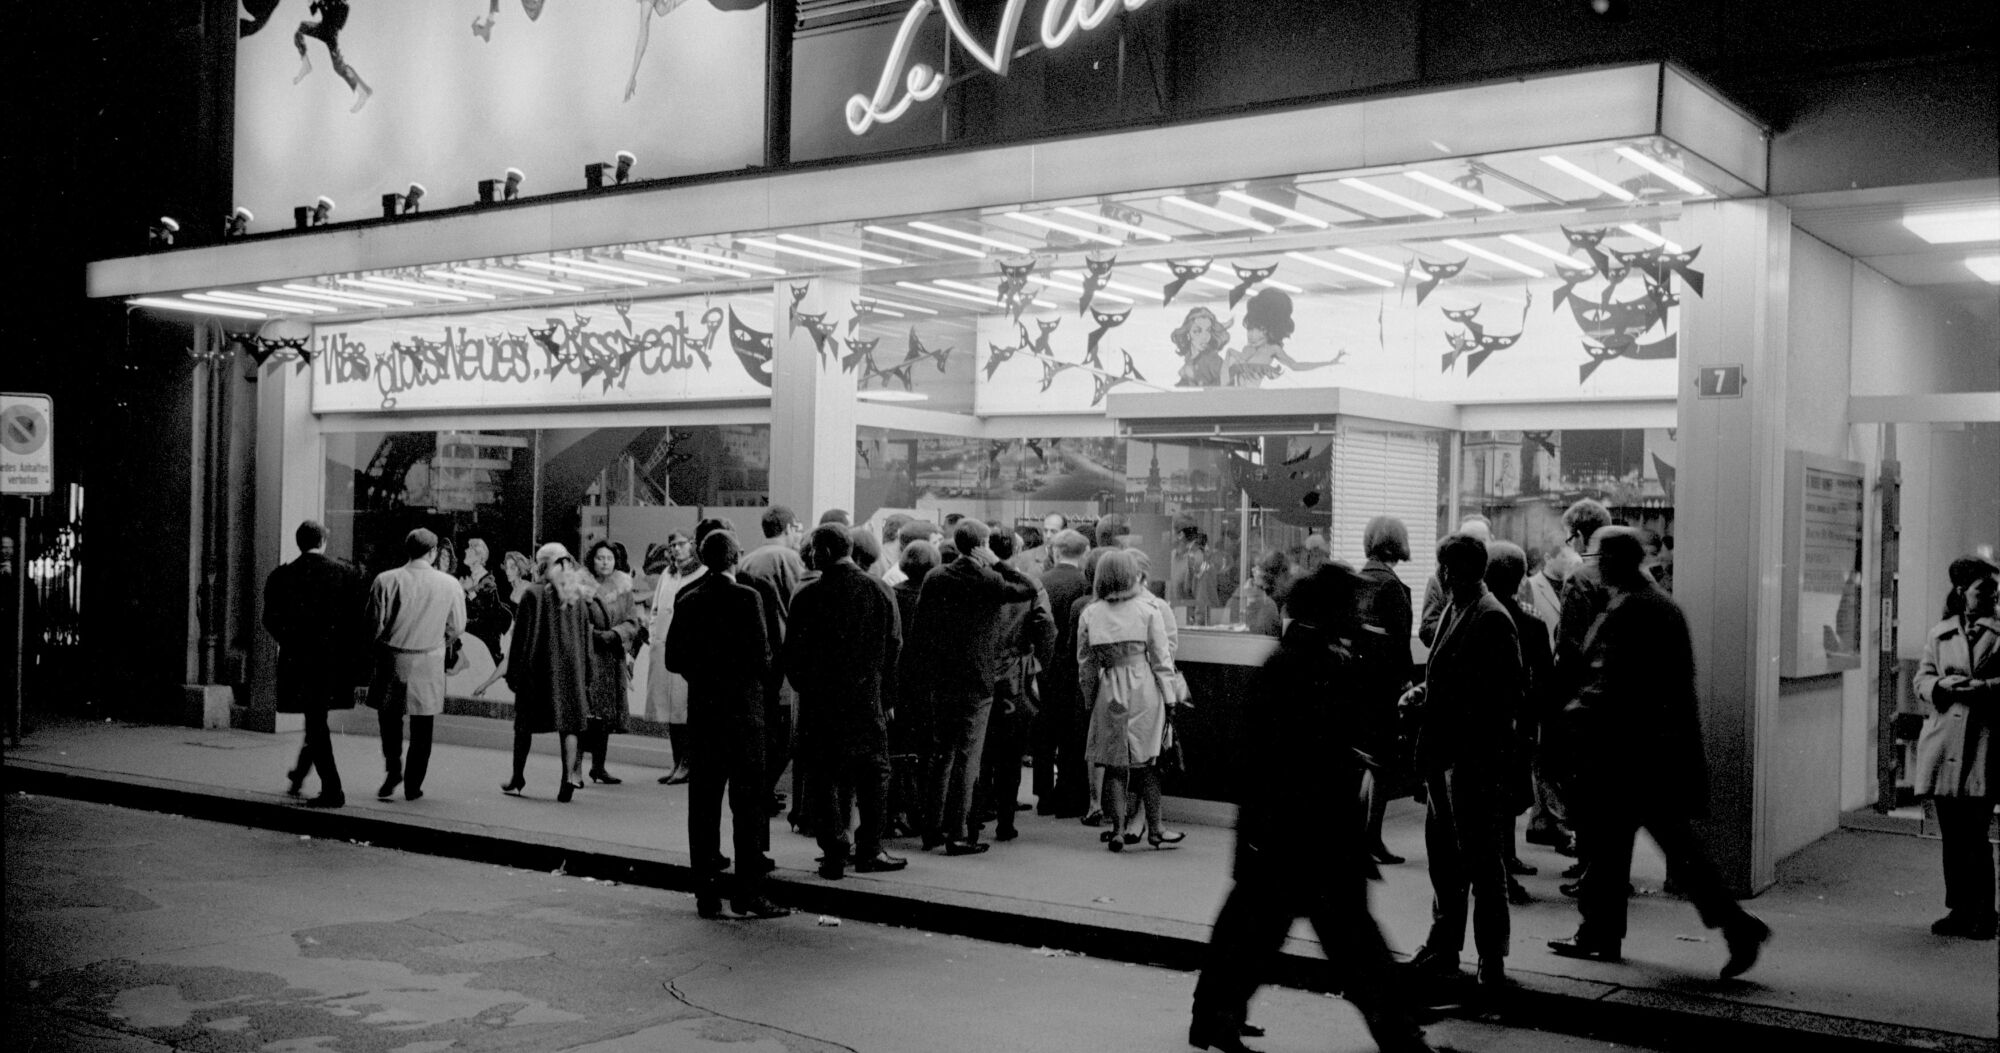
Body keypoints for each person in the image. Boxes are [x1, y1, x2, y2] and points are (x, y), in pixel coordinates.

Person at [1189, 562, 1437, 1053]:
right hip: (1308, 830)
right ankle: (1400, 1039)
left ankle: (1213, 1017)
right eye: (1354, 605)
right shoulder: (1311, 663)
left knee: (1254, 935)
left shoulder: (1297, 658)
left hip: (1284, 831)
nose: (1361, 613)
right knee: (1350, 943)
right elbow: (1303, 748)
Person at [1547, 528, 1772, 977]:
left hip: (1624, 755)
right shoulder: (1656, 604)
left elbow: (1608, 684)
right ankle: (1609, 933)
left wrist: (1565, 722)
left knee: (1614, 848)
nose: (1597, 566)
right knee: (1665, 850)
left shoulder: (1632, 608)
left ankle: (1606, 932)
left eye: (1602, 558)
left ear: (1616, 561)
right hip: (1652, 754)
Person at [1407, 532, 1521, 990]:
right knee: (1445, 860)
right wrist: (1422, 694)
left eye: (1442, 568)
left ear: (1453, 571)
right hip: (1447, 759)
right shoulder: (1461, 608)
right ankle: (1445, 945)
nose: (1440, 576)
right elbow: (1450, 677)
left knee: (1480, 863)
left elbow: (1501, 698)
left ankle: (1490, 959)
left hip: (1471, 762)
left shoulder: (1492, 618)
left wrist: (1439, 707)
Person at [664, 530, 790, 920]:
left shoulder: (688, 598)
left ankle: (706, 894)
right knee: (747, 805)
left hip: (704, 714)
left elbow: (673, 659)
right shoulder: (746, 597)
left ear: (703, 558)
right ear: (736, 557)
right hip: (743, 713)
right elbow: (762, 657)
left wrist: (703, 676)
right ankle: (748, 893)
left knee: (703, 805)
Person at [783, 525, 908, 880]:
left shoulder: (807, 596)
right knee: (874, 774)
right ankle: (870, 848)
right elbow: (893, 648)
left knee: (825, 777)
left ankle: (834, 850)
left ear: (821, 553)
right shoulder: (879, 589)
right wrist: (886, 697)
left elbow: (793, 657)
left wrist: (808, 687)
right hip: (866, 700)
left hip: (820, 704)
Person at [908, 518, 1039, 855]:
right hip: (977, 678)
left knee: (941, 755)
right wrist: (999, 564)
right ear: (982, 545)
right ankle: (959, 832)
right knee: (968, 757)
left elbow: (920, 629)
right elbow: (1028, 588)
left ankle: (932, 829)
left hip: (941, 677)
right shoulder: (990, 578)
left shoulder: (936, 577)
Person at [1912, 555, 1999, 939]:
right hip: (1945, 740)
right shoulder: (1939, 633)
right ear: (1963, 592)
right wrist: (1939, 687)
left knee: (1977, 833)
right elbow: (1922, 679)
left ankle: (1985, 912)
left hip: (1983, 742)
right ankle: (1960, 910)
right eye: (1985, 589)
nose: (1993, 595)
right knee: (1953, 834)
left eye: (1995, 589)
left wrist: (1984, 688)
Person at [1079, 550, 1185, 852]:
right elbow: (1162, 659)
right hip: (1144, 687)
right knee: (1149, 762)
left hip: (1110, 685)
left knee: (1115, 763)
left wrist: (1090, 699)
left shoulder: (1091, 613)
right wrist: (1170, 698)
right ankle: (1156, 828)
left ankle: (1117, 829)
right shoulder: (1148, 609)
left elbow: (1085, 665)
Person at [264, 520, 362, 808]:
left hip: (298, 659)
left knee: (314, 718)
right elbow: (354, 623)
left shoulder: (282, 576)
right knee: (316, 719)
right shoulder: (343, 574)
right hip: (332, 661)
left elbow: (270, 620)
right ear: (323, 542)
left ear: (299, 543)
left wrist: (292, 640)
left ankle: (318, 782)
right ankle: (327, 786)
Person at [363, 528, 466, 803]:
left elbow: (373, 624)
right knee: (423, 724)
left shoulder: (386, 580)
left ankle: (393, 767)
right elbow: (458, 626)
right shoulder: (449, 584)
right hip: (429, 659)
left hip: (392, 658)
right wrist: (441, 639)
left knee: (389, 718)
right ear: (433, 552)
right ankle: (413, 783)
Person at [1485, 540, 1554, 904]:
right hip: (1521, 724)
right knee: (1510, 794)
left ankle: (1502, 862)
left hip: (1485, 723)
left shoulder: (1476, 616)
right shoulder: (1531, 623)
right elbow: (1544, 679)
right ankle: (1503, 867)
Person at [974, 528, 1054, 842]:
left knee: (978, 751)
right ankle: (1005, 820)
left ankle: (975, 814)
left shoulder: (976, 580)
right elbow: (1046, 625)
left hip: (980, 669)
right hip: (1014, 675)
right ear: (1016, 550)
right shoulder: (1027, 585)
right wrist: (1038, 662)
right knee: (1010, 752)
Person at [502, 543, 592, 801]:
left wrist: (514, 673)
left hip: (538, 669)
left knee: (523, 725)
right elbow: (586, 640)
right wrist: (587, 674)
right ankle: (567, 780)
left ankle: (517, 777)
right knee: (570, 725)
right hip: (571, 672)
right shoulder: (577, 596)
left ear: (540, 564)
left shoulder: (532, 593)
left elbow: (520, 639)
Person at [1355, 516, 1416, 865]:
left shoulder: (1359, 580)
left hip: (1357, 686)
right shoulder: (1391, 587)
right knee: (1381, 767)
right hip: (1383, 689)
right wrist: (1405, 682)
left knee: (1364, 763)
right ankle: (1371, 838)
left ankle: (1361, 838)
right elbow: (1396, 646)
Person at [1034, 528, 1093, 818]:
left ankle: (1043, 795)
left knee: (1044, 733)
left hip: (1043, 667)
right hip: (1072, 667)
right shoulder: (1084, 585)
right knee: (1071, 734)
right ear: (1084, 553)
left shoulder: (1040, 581)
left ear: (1055, 551)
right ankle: (1066, 791)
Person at [887, 539, 941, 837]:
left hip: (899, 684)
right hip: (928, 685)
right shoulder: (937, 598)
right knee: (927, 753)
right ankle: (924, 812)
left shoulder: (892, 595)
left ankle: (896, 812)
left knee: (896, 752)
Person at [646, 530, 707, 785]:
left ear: (692, 545)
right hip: (664, 648)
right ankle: (676, 761)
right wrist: (653, 635)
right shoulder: (668, 574)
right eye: (672, 545)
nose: (676, 550)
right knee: (670, 710)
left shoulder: (702, 573)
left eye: (681, 544)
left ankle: (687, 764)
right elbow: (656, 609)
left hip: (687, 651)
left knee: (685, 709)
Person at [581, 540, 644, 785]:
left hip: (612, 655)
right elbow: (574, 618)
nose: (605, 562)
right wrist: (593, 635)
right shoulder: (581, 586)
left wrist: (615, 634)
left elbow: (632, 621)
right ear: (591, 560)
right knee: (587, 711)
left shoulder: (623, 587)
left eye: (609, 558)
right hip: (590, 655)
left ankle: (599, 766)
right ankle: (575, 765)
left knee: (606, 713)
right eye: (600, 558)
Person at [1418, 514, 1491, 646]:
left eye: (1480, 541)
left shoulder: (1502, 578)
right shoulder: (1439, 581)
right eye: (1465, 542)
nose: (1472, 549)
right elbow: (1427, 631)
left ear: (1492, 540)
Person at [459, 538, 512, 669]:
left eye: (469, 549)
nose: (465, 550)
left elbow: (485, 617)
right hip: (473, 639)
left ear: (478, 556)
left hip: (485, 645)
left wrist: (469, 591)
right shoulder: (471, 579)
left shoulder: (488, 581)